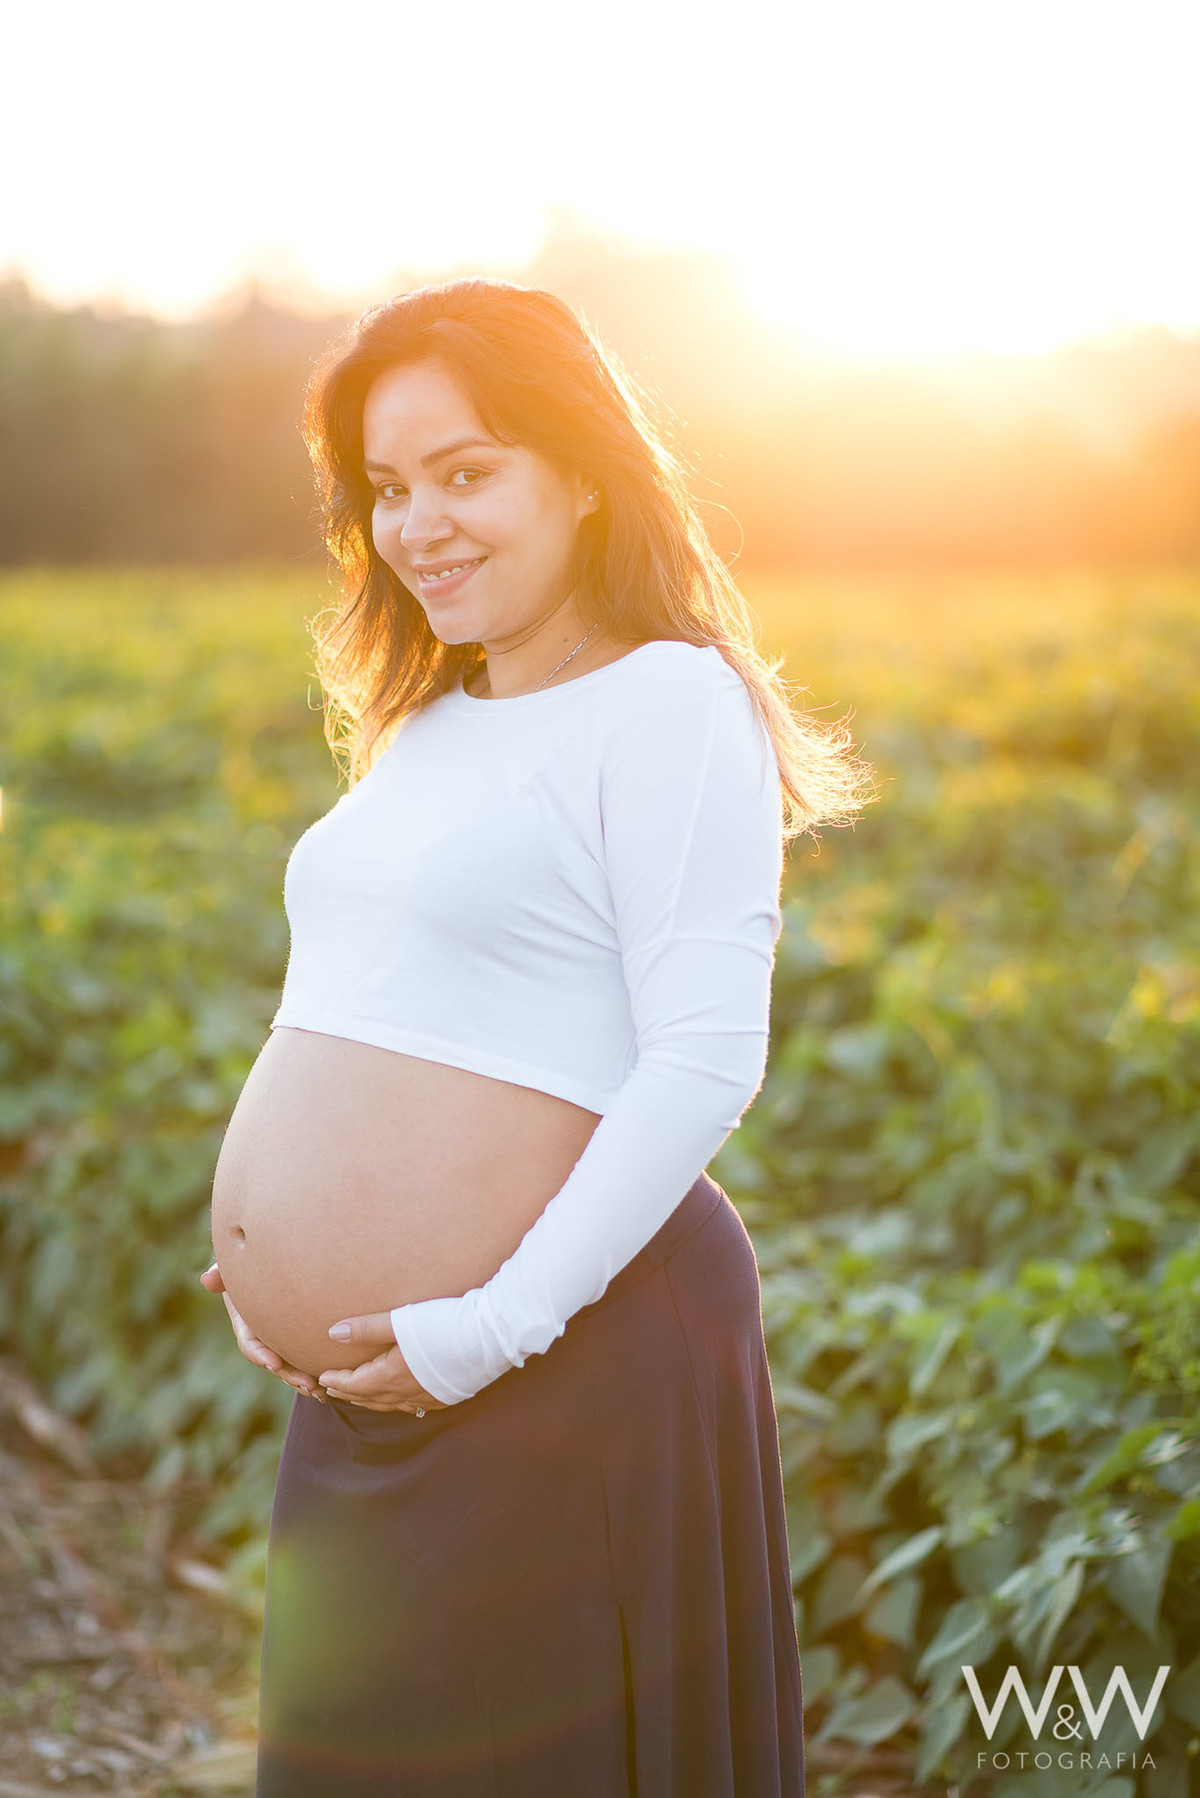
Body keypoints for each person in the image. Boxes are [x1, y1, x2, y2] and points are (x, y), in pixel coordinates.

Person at [200, 277, 870, 1797]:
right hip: (374, 1387)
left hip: (561, 1354)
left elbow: (705, 1057)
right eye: (387, 487)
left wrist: (484, 1328)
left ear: (582, 474)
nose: (418, 524)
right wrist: (277, 1256)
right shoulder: (428, 722)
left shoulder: (670, 702)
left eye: (465, 472)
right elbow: (382, 1003)